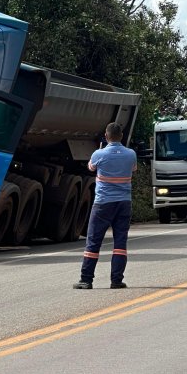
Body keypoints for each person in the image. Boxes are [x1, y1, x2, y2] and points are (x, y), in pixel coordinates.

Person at [73, 121, 137, 290]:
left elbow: (91, 167)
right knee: (120, 242)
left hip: (103, 203)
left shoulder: (99, 154)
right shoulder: (131, 154)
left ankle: (86, 280)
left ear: (106, 136)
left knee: (93, 241)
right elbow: (133, 169)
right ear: (121, 136)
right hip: (124, 203)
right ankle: (116, 280)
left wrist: (101, 151)